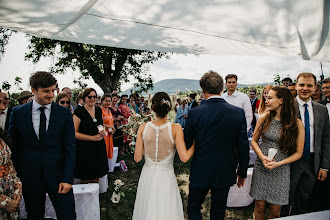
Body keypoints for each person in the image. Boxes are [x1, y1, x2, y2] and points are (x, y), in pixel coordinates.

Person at [8, 71, 76, 219]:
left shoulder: (64, 113)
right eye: (46, 91)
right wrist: (18, 176)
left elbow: (70, 147)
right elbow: (14, 147)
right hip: (30, 177)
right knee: (34, 215)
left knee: (67, 215)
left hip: (59, 177)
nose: (51, 95)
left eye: (53, 90)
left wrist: (67, 178)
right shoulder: (18, 113)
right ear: (34, 90)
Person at [184, 71, 249, 220]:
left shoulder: (195, 113)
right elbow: (243, 144)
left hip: (201, 168)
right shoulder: (238, 113)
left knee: (194, 208)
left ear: (203, 90)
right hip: (225, 169)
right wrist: (242, 171)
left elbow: (187, 141)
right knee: (219, 211)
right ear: (222, 89)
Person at [132, 92, 195, 220]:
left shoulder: (143, 127)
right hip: (166, 177)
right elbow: (184, 157)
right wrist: (195, 144)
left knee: (146, 208)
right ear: (170, 107)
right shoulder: (175, 128)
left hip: (147, 176)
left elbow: (137, 158)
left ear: (152, 108)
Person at [249, 86, 305, 220]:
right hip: (262, 166)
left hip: (281, 170)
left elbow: (298, 153)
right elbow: (254, 142)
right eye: (266, 97)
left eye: (270, 98)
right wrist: (262, 157)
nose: (266, 100)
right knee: (260, 206)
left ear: (281, 100)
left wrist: (279, 163)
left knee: (275, 211)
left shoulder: (297, 124)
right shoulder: (264, 118)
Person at [281, 73, 330, 216]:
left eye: (309, 85)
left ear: (315, 88)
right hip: (290, 162)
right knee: (285, 198)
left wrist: (324, 167)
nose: (305, 88)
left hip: (313, 162)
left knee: (304, 198)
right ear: (296, 86)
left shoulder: (322, 110)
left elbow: (326, 139)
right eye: (302, 85)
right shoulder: (286, 108)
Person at [73, 88, 108, 184]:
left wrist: (102, 130)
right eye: (90, 97)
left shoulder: (98, 110)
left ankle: (94, 196)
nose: (92, 99)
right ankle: (85, 197)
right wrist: (92, 138)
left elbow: (102, 124)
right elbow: (74, 133)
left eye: (94, 97)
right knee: (86, 175)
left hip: (98, 146)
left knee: (97, 173)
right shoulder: (79, 111)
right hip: (85, 147)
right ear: (84, 98)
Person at [0, 93, 22, 220]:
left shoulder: (2, 135)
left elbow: (10, 167)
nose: (3, 107)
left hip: (11, 201)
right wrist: (5, 202)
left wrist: (17, 190)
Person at [101, 93, 116, 159]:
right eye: (106, 101)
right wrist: (111, 127)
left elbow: (111, 122)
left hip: (109, 134)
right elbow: (101, 123)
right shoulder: (100, 110)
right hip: (104, 134)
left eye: (109, 101)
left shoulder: (109, 110)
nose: (108, 102)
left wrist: (113, 129)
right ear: (102, 101)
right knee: (104, 152)